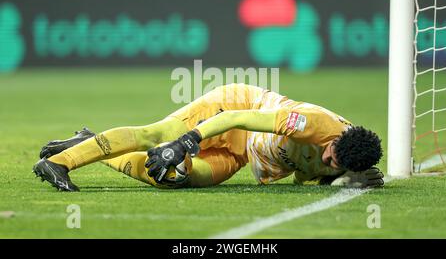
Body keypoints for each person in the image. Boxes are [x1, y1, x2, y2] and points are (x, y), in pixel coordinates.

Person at [33, 83, 384, 192]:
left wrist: (343, 177)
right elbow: (236, 117)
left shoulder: (350, 161)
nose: (328, 162)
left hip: (246, 151)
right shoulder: (311, 123)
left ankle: (86, 141)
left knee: (171, 178)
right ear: (335, 139)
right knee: (158, 135)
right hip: (235, 109)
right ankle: (57, 163)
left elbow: (305, 173)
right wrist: (186, 142)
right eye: (331, 155)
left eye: (336, 166)